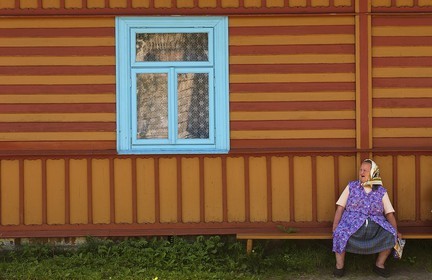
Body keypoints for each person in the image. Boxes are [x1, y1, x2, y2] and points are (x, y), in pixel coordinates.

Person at [332, 159, 402, 278]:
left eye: (365, 170)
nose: (361, 172)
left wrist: (396, 231)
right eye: (360, 169)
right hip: (351, 225)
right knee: (339, 233)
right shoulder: (351, 187)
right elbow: (340, 208)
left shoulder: (381, 191)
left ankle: (379, 265)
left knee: (391, 234)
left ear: (373, 173)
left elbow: (389, 213)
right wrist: (335, 226)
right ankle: (339, 266)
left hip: (375, 227)